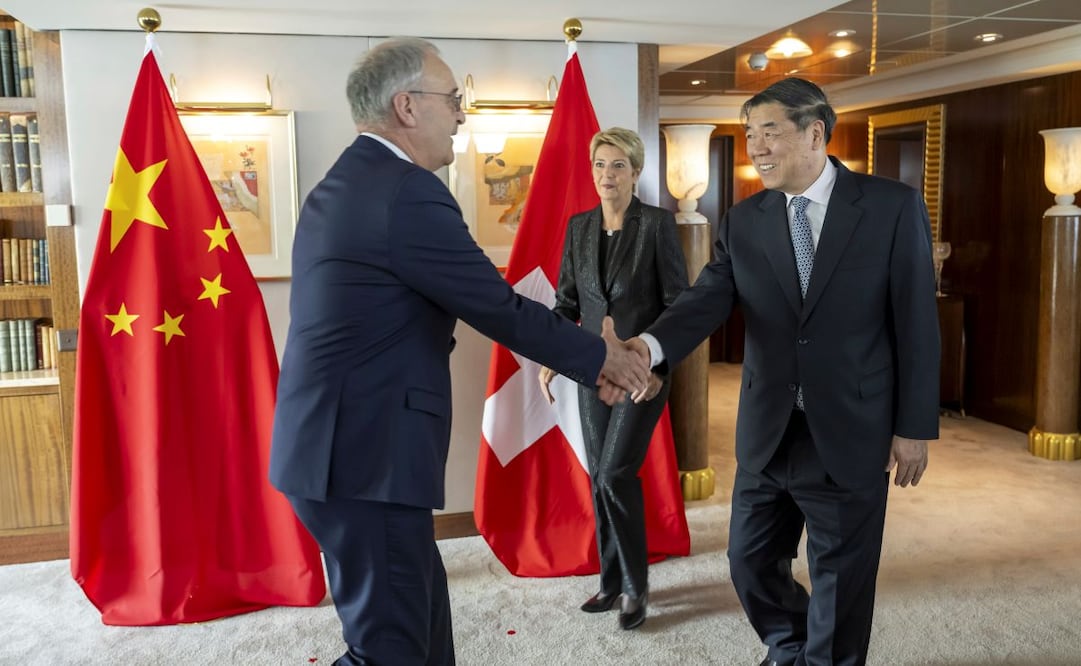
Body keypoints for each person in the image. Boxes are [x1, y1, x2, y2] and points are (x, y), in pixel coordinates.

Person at [268, 38, 649, 666]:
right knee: (389, 649)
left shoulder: (348, 180)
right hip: (364, 460)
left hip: (343, 450)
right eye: (454, 99)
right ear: (407, 106)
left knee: (422, 626)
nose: (462, 115)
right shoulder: (403, 192)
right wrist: (603, 359)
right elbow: (496, 307)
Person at [634, 78, 940, 665]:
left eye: (769, 132)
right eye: (750, 136)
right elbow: (704, 300)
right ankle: (790, 642)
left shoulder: (889, 207)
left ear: (815, 133)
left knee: (841, 579)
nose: (756, 147)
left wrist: (915, 426)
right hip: (768, 429)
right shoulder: (743, 220)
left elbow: (917, 324)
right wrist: (646, 347)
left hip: (851, 427)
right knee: (747, 562)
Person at [538, 127, 688, 631]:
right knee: (599, 474)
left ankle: (635, 586)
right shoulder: (579, 228)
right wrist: (551, 357)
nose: (607, 174)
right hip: (590, 370)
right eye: (600, 164)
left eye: (618, 165)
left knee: (614, 474)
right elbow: (566, 303)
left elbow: (678, 307)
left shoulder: (658, 224)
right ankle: (609, 578)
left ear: (636, 171)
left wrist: (659, 365)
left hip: (641, 373)